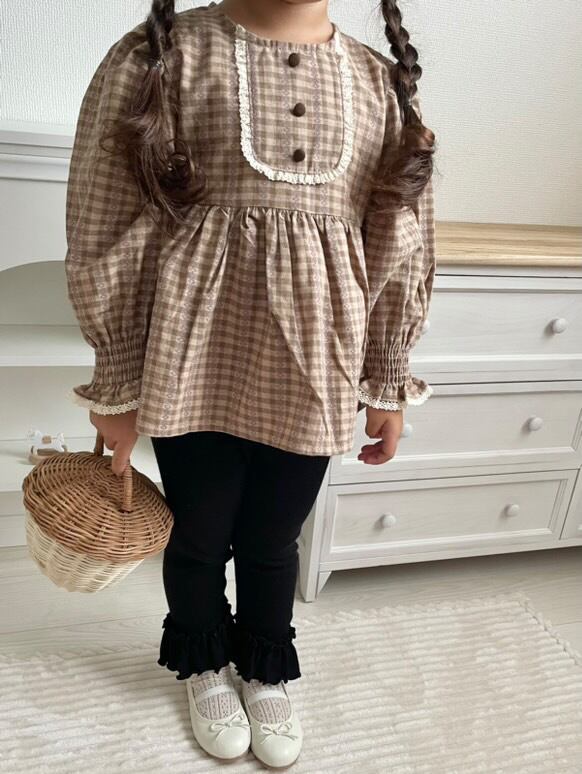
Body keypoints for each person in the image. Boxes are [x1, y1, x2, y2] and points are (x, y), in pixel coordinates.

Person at [64, 0, 437, 767]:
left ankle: (264, 666)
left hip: (315, 365)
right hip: (192, 359)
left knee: (273, 539)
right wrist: (117, 379)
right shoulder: (162, 57)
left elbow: (401, 237)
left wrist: (387, 377)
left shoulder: (378, 83)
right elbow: (107, 220)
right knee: (199, 534)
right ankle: (202, 660)